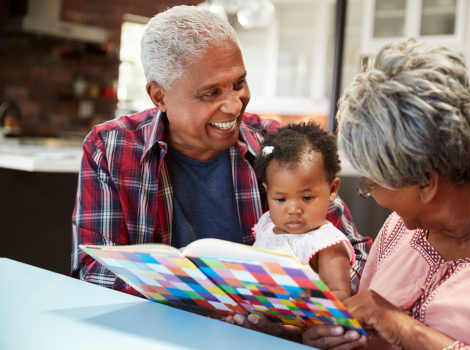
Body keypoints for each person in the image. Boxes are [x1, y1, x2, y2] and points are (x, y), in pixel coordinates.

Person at [70, 6, 371, 298]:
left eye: (239, 83)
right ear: (158, 96)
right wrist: (205, 299)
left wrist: (325, 302)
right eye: (211, 93)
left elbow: (356, 254)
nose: (235, 105)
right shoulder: (110, 148)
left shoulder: (278, 146)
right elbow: (95, 270)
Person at [230, 38, 470, 349]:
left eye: (371, 184)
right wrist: (307, 334)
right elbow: (362, 328)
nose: (370, 193)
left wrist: (404, 330)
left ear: (426, 183)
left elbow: (387, 323)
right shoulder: (401, 229)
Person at [252, 122, 354, 301]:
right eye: (281, 199)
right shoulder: (267, 225)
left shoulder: (326, 244)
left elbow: (341, 296)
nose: (293, 210)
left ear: (332, 190)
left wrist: (297, 303)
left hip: (299, 324)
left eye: (306, 198)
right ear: (267, 191)